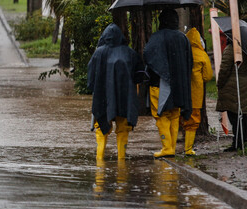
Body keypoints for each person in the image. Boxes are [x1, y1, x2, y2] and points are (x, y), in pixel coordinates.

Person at [88, 23, 144, 161]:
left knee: (101, 126)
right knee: (123, 127)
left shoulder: (98, 53)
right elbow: (140, 75)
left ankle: (100, 161)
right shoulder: (129, 53)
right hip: (125, 97)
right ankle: (121, 160)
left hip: (102, 97)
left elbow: (90, 80)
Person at [143, 9, 193, 158]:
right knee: (174, 114)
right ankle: (171, 147)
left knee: (161, 115)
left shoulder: (157, 37)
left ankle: (167, 147)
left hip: (160, 83)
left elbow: (148, 56)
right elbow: (189, 62)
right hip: (179, 85)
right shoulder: (183, 38)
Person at [183, 28, 213, 155]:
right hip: (195, 93)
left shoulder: (183, 53)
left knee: (180, 118)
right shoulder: (202, 55)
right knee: (193, 119)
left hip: (181, 92)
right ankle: (188, 148)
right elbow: (207, 76)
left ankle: (171, 146)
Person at [215, 40, 247, 151]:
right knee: (244, 116)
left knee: (235, 117)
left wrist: (220, 84)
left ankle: (237, 143)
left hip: (232, 86)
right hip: (244, 84)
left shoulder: (231, 48)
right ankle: (243, 141)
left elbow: (224, 69)